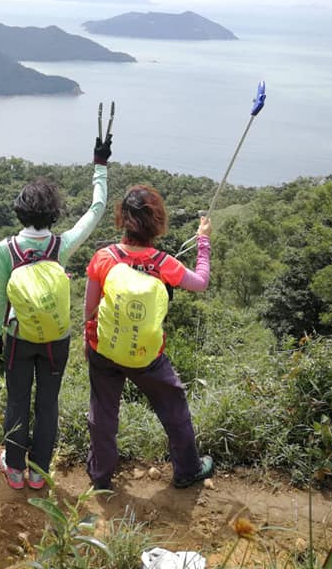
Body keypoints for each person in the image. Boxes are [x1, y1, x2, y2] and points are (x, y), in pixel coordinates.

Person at [0, 136, 112, 490]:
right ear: (53, 213)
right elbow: (96, 210)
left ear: (20, 211)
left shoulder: (6, 249)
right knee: (47, 403)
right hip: (56, 339)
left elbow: (0, 299)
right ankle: (39, 472)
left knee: (17, 400)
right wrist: (99, 165)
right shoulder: (62, 245)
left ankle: (14, 469)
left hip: (17, 337)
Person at [83, 184, 214, 491]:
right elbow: (201, 282)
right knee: (174, 406)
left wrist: (87, 342)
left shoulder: (104, 257)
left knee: (102, 412)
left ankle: (101, 477)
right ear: (157, 222)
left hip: (103, 348)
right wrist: (203, 240)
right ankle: (187, 470)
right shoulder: (163, 263)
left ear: (122, 219)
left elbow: (89, 310)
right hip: (147, 354)